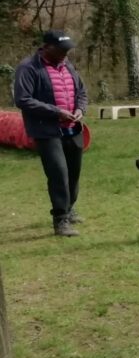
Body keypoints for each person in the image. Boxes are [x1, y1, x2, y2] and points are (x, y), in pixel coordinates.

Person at [14, 30, 89, 236]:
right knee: (58, 174)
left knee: (73, 173)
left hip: (73, 129)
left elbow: (81, 92)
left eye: (67, 50)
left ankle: (69, 208)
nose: (65, 54)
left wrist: (80, 109)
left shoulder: (68, 65)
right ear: (47, 47)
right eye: (61, 50)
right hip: (47, 131)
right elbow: (23, 99)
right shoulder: (28, 68)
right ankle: (60, 220)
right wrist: (56, 112)